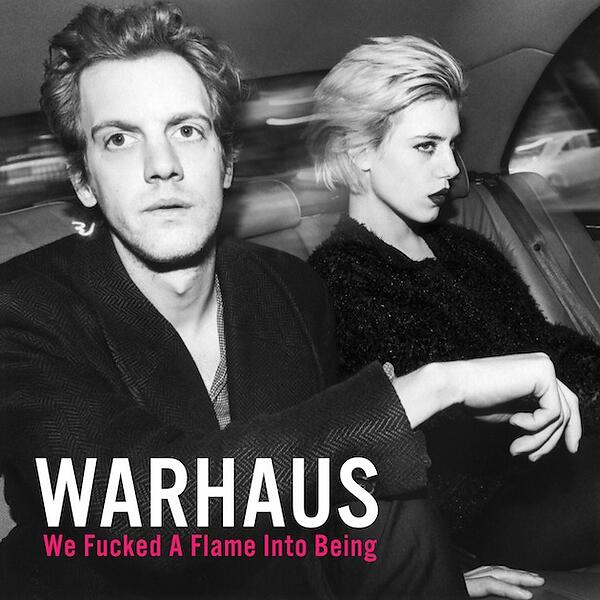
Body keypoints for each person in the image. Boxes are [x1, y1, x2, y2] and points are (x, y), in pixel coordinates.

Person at [0, 6, 579, 599]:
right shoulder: (22, 310)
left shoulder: (292, 291)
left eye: (187, 130)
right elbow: (141, 508)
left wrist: (436, 573)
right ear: (83, 179)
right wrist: (435, 387)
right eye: (120, 139)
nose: (162, 166)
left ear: (226, 161)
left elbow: (335, 485)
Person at [308, 36, 600, 571]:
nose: (449, 168)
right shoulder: (339, 279)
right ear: (358, 152)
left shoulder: (465, 248)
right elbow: (439, 432)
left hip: (565, 455)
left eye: (451, 144)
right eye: (426, 146)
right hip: (494, 504)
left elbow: (544, 344)